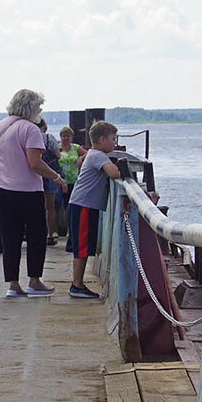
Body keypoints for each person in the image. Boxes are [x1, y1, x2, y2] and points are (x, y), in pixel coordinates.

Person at [0, 90, 69, 298]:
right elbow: (35, 163)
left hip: (1, 188)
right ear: (32, 108)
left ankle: (13, 284)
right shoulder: (30, 129)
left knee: (10, 236)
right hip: (26, 190)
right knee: (36, 235)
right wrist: (57, 177)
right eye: (39, 108)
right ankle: (34, 280)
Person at [66, 121, 121, 299]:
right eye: (113, 139)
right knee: (81, 248)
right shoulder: (98, 155)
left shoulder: (93, 154)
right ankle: (77, 285)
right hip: (84, 206)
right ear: (102, 139)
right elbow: (114, 173)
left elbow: (79, 164)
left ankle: (77, 283)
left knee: (81, 247)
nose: (115, 143)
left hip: (81, 204)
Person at [57, 126, 87, 231]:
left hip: (74, 181)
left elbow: (89, 154)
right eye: (63, 136)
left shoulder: (75, 147)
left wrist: (80, 158)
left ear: (72, 137)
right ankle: (58, 230)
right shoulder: (57, 148)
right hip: (60, 181)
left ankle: (71, 230)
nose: (65, 138)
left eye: (68, 136)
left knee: (70, 206)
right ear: (60, 137)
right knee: (57, 206)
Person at [38, 119, 62, 246]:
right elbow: (58, 156)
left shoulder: (30, 136)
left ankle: (36, 232)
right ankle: (50, 233)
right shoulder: (49, 138)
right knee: (50, 207)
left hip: (35, 175)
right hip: (49, 174)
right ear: (44, 126)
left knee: (36, 206)